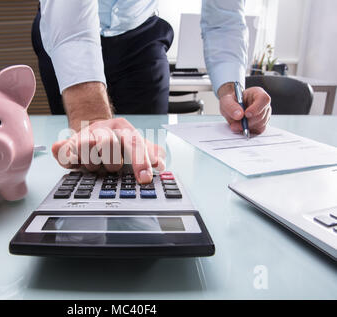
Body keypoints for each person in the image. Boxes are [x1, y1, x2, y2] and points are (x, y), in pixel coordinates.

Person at [32, 0, 272, 183]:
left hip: (140, 34)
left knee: (146, 158)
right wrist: (93, 118)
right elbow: (71, 21)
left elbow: (224, 18)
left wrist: (231, 89)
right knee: (91, 154)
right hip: (65, 27)